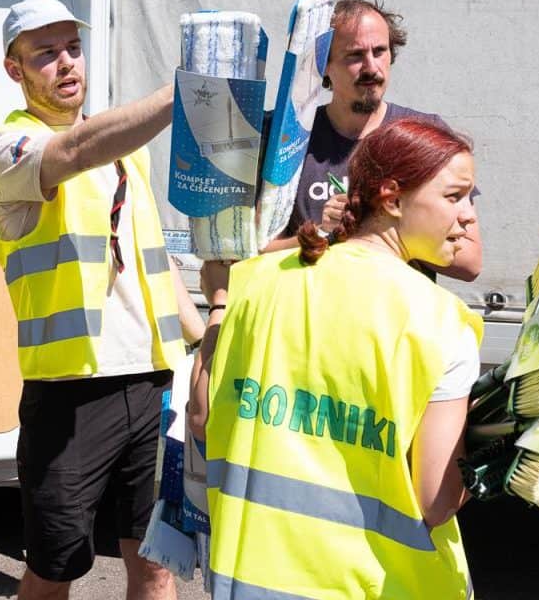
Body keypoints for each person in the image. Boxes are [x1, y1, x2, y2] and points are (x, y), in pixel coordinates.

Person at [0, 0, 203, 600]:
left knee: (157, 563)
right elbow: (71, 152)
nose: (67, 62)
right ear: (14, 69)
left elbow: (152, 259)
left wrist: (205, 337)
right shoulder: (4, 150)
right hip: (70, 392)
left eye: (73, 47)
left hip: (154, 381)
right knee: (55, 570)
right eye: (46, 53)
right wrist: (184, 93)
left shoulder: (127, 153)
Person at [197, 119, 482, 598]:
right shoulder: (442, 321)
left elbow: (201, 415)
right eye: (455, 196)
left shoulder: (256, 280)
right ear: (392, 199)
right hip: (379, 585)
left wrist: (219, 305)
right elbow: (436, 501)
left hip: (253, 579)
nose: (469, 216)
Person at [263, 0, 482, 282]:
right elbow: (255, 256)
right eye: (355, 55)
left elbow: (469, 262)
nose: (371, 67)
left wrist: (376, 224)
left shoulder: (425, 135)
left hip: (399, 307)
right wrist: (323, 234)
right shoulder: (288, 136)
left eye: (379, 51)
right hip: (314, 307)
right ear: (323, 63)